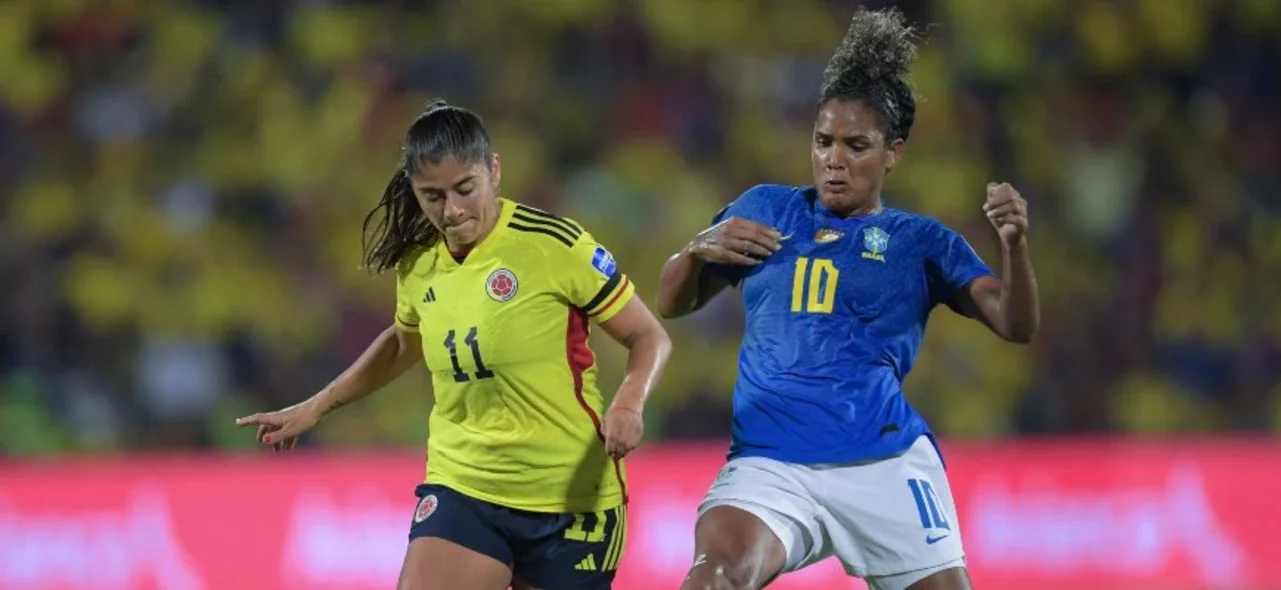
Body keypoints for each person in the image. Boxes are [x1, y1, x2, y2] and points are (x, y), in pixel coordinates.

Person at [656, 8, 1039, 590]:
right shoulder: (765, 210)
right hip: (770, 464)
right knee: (713, 579)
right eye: (823, 142)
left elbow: (1015, 324)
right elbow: (672, 303)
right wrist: (696, 249)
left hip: (884, 463)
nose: (834, 159)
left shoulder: (921, 242)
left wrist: (1014, 245)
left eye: (856, 145)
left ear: (893, 152)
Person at [236, 100, 672, 590]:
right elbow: (402, 344)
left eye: (466, 189)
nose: (452, 211)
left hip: (569, 498)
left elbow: (648, 336)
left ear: (494, 171)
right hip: (465, 486)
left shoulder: (554, 246)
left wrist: (629, 404)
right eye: (433, 196)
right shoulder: (418, 263)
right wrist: (317, 406)